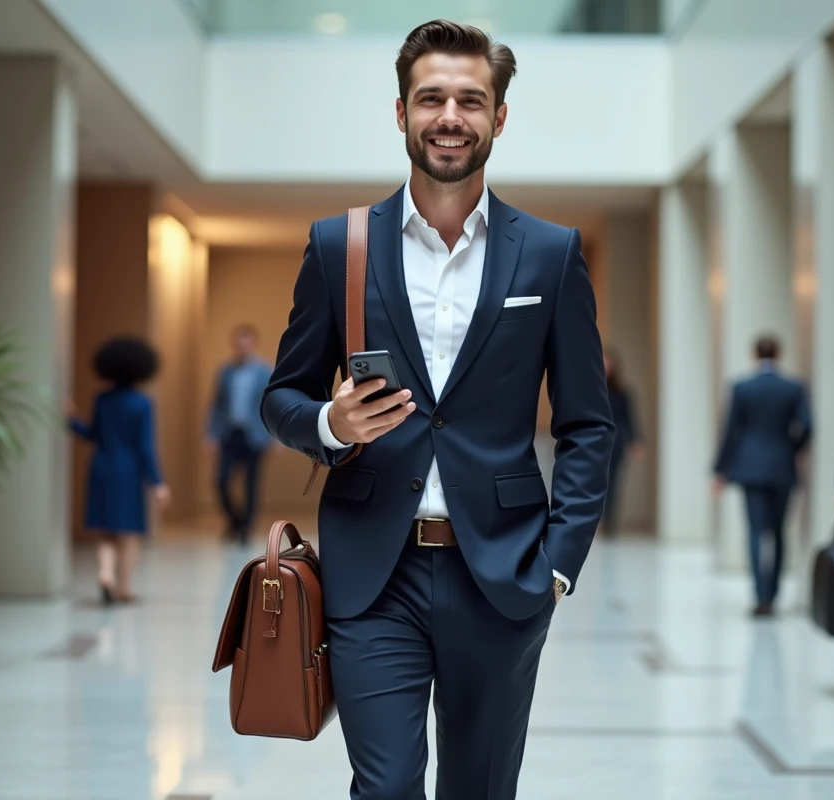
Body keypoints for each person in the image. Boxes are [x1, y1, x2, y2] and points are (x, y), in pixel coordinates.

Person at [261, 20, 615, 799]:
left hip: (503, 574)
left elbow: (589, 423)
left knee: (479, 789)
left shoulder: (552, 253)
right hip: (371, 576)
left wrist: (557, 567)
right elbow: (279, 397)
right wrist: (329, 425)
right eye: (431, 99)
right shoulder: (338, 246)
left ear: (498, 117)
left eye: (469, 99)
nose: (449, 116)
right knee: (384, 789)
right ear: (400, 113)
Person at [713, 335, 812, 617]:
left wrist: (720, 470)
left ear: (754, 354)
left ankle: (761, 597)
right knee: (778, 531)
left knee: (756, 532)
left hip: (751, 468)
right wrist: (792, 448)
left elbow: (730, 431)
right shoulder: (793, 388)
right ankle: (774, 592)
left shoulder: (743, 387)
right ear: (778, 354)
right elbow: (807, 426)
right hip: (782, 466)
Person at [66, 336, 169, 604]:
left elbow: (92, 434)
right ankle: (124, 587)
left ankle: (105, 573)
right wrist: (157, 482)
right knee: (129, 533)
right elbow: (146, 447)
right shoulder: (143, 403)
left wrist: (71, 419)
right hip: (128, 473)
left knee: (106, 530)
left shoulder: (101, 399)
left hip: (100, 467)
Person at [205, 324, 273, 543]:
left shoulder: (265, 371)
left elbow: (271, 405)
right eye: (238, 344)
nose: (242, 348)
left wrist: (276, 437)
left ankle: (245, 529)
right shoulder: (225, 371)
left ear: (253, 344)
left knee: (252, 484)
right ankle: (235, 520)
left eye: (246, 344)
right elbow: (217, 404)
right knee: (221, 480)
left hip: (256, 435)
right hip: (229, 434)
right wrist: (211, 433)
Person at [600, 348, 645, 535]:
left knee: (613, 484)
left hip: (615, 443)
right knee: (595, 483)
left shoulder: (622, 393)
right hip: (594, 443)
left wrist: (636, 442)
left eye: (607, 361)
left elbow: (629, 419)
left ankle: (609, 524)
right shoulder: (590, 389)